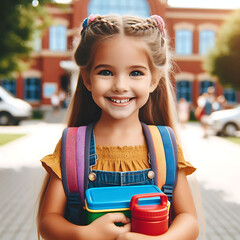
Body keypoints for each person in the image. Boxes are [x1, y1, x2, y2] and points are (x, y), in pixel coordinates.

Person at [37, 14, 199, 240]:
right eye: (106, 72)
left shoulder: (165, 146)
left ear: (153, 80)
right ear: (87, 79)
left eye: (135, 73)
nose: (120, 86)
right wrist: (85, 234)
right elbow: (48, 221)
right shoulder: (73, 146)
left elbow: (189, 219)